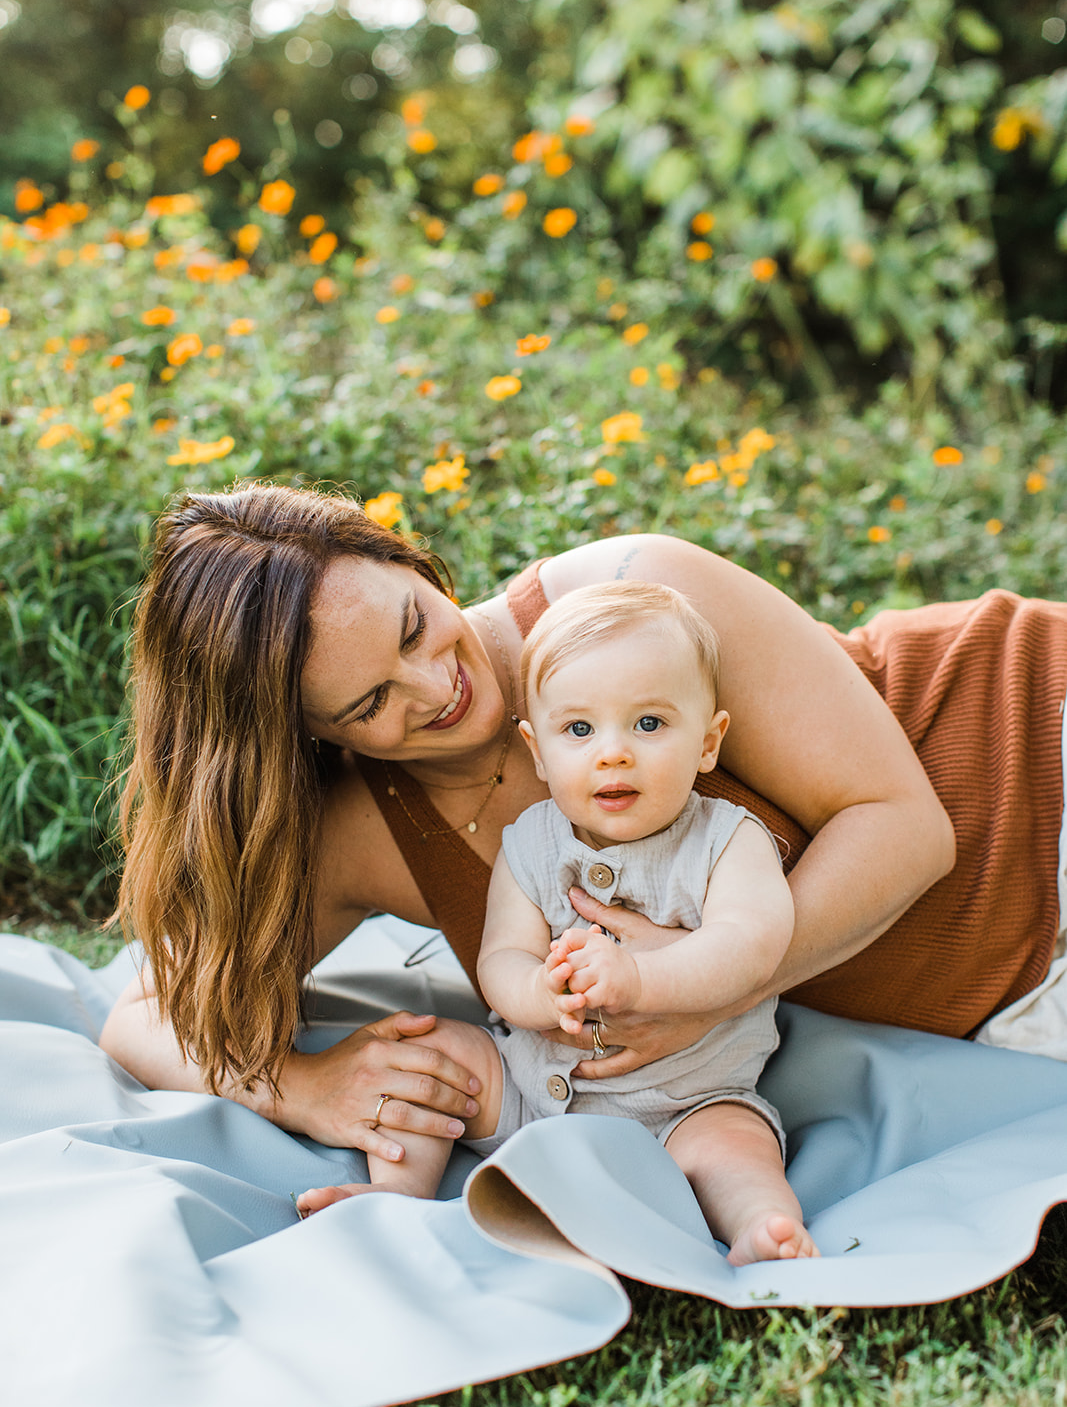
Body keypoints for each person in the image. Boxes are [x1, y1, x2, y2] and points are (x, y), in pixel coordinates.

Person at [99, 482, 1067, 1167]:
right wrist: (306, 1088)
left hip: (1026, 748)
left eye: (410, 625)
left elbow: (904, 826)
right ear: (307, 738)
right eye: (368, 704)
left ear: (402, 555)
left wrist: (690, 989)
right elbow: (150, 1009)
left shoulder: (626, 591)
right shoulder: (364, 834)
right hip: (1011, 997)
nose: (437, 687)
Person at [296, 583, 818, 1264]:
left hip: (686, 1095)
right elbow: (501, 960)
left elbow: (748, 945)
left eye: (649, 724)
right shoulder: (530, 845)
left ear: (707, 742)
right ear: (537, 753)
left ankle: (760, 1226)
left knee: (734, 1146)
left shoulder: (726, 840)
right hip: (529, 1085)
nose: (612, 753)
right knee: (435, 1059)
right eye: (578, 730)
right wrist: (540, 995)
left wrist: (641, 978)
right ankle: (400, 1191)